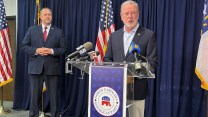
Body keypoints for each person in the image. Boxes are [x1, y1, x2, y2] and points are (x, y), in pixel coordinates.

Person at [104, 0, 158, 117]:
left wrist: (136, 70)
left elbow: (152, 62)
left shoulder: (148, 35)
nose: (130, 16)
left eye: (133, 13)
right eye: (126, 13)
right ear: (121, 16)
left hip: (137, 89)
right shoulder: (114, 36)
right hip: (115, 87)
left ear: (138, 15)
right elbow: (107, 59)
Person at [21, 8, 66, 117]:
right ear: (40, 17)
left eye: (49, 14)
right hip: (35, 69)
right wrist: (36, 50)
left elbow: (63, 49)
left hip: (52, 69)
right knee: (34, 96)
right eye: (45, 14)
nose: (48, 16)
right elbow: (23, 46)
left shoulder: (58, 31)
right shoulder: (32, 30)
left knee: (54, 97)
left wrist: (51, 51)